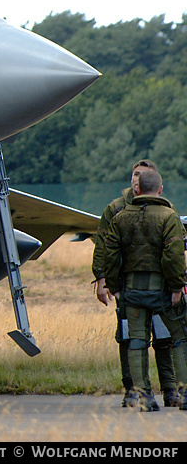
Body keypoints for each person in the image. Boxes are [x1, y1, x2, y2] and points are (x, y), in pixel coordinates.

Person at [92, 159, 180, 407]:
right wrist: (103, 280)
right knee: (129, 337)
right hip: (126, 285)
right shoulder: (115, 209)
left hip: (159, 285)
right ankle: (133, 390)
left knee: (163, 337)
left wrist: (176, 284)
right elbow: (103, 246)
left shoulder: (165, 209)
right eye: (134, 173)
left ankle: (170, 389)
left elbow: (173, 250)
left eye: (141, 175)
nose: (136, 178)